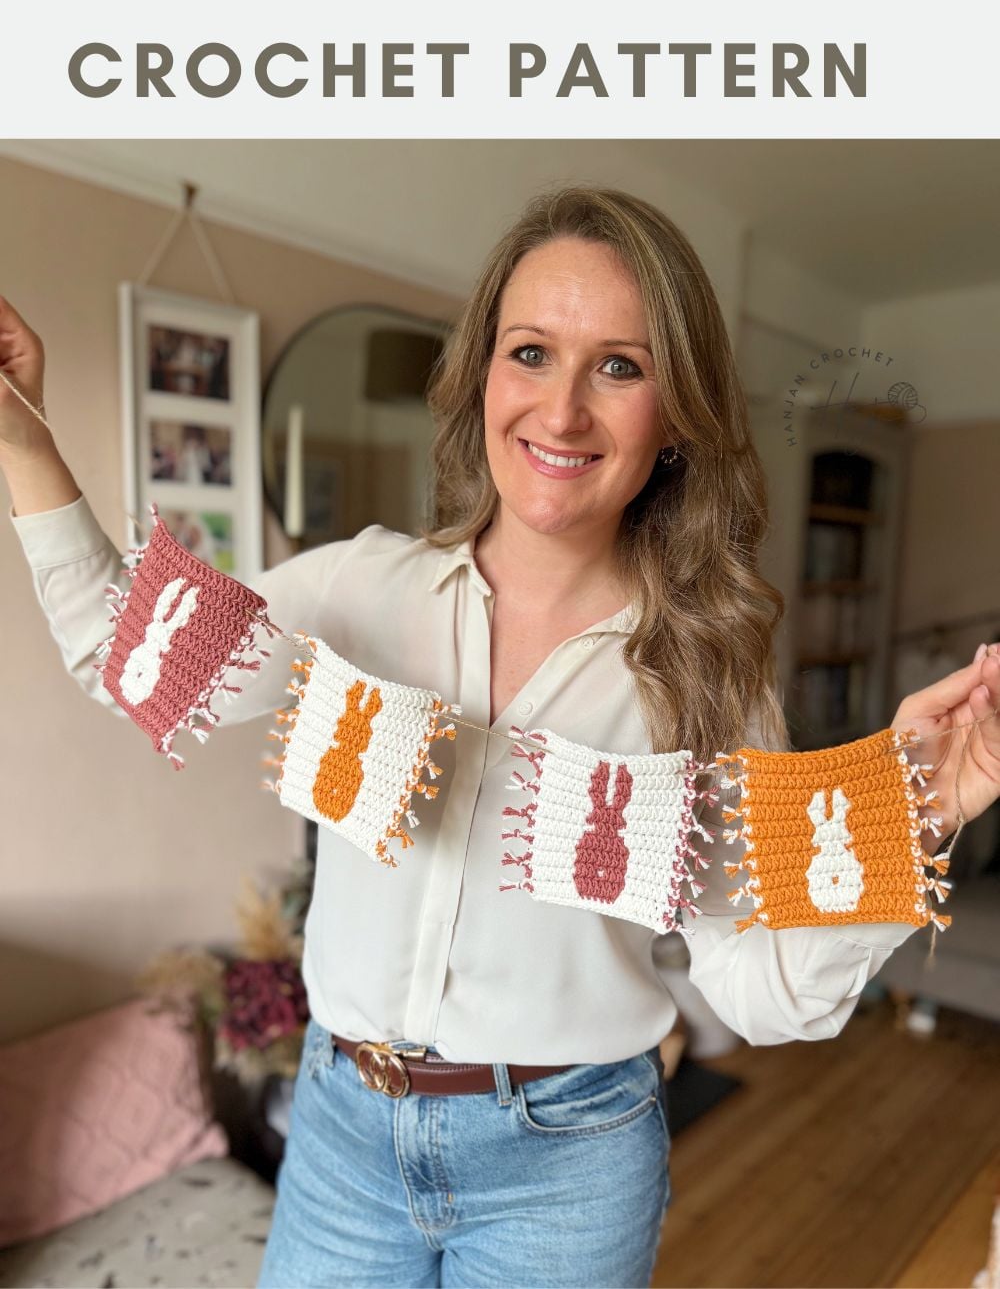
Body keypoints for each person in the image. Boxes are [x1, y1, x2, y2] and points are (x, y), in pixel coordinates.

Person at [2, 185, 998, 1289]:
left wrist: (915, 810)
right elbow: (120, 650)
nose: (562, 412)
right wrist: (22, 435)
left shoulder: (706, 672)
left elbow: (764, 993)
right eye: (531, 352)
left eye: (620, 366)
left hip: (567, 1167)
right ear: (483, 372)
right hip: (340, 1133)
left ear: (677, 415)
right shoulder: (356, 588)